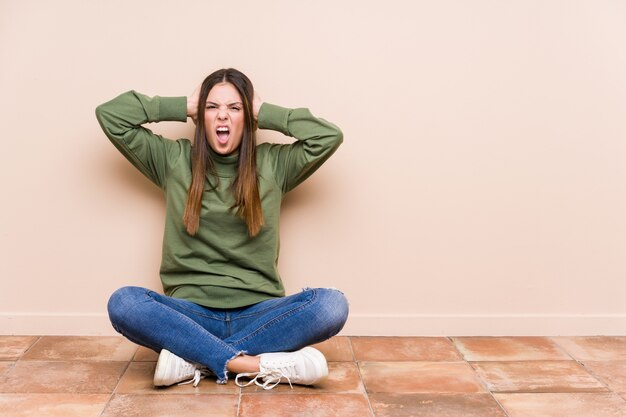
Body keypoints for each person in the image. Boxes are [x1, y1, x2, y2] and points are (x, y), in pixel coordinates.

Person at [95, 68, 348, 389]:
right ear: (200, 115)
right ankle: (252, 364)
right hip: (188, 314)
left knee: (331, 305)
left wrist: (262, 111)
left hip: (260, 314)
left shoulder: (274, 164)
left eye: (235, 108)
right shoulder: (172, 159)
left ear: (249, 117)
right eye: (212, 107)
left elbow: (328, 136)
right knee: (124, 303)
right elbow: (111, 115)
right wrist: (186, 105)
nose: (222, 116)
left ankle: (193, 359)